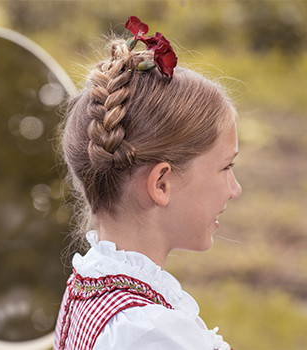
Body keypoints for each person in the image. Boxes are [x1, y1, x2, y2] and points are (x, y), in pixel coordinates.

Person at [52, 16, 239, 350]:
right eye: (226, 167)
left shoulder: (90, 283)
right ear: (161, 184)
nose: (235, 188)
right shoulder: (149, 334)